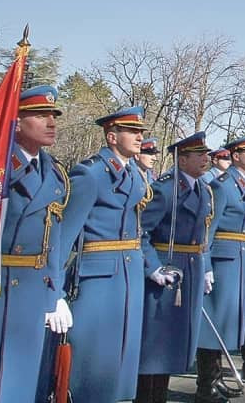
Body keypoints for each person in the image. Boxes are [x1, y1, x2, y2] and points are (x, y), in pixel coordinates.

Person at [59, 105, 150, 403]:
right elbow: (64, 236)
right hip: (97, 277)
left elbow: (138, 230)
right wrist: (55, 292)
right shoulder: (91, 174)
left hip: (129, 276)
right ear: (112, 136)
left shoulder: (135, 175)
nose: (139, 137)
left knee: (120, 361)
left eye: (140, 132)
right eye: (132, 132)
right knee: (91, 363)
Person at [0, 86, 71, 403]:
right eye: (39, 115)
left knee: (21, 385)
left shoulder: (56, 174)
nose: (51, 122)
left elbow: (54, 241)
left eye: (53, 116)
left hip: (34, 293)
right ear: (16, 122)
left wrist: (56, 294)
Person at [135, 131, 216, 403]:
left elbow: (203, 233)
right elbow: (141, 231)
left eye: (206, 154)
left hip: (191, 267)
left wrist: (205, 267)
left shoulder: (203, 188)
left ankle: (160, 394)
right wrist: (153, 268)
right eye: (199, 155)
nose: (206, 159)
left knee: (174, 343)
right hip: (168, 268)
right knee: (156, 343)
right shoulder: (166, 189)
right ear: (182, 160)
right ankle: (147, 397)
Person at [197, 134, 245, 401]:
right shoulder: (222, 186)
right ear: (236, 156)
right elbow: (207, 229)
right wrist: (206, 264)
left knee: (229, 320)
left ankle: (218, 376)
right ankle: (205, 384)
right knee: (214, 321)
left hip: (242, 256)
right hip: (223, 258)